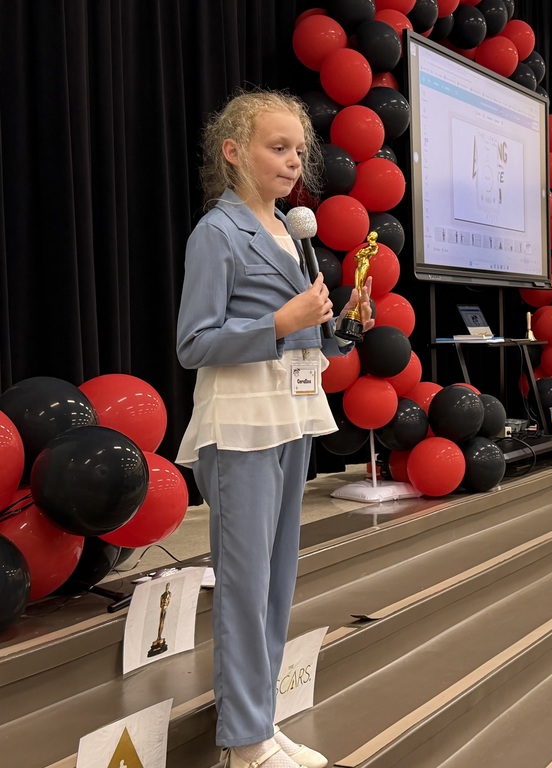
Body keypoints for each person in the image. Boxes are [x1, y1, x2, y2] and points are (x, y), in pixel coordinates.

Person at [175, 91, 373, 768]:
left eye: (298, 150)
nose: (293, 162)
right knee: (243, 585)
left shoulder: (295, 231)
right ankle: (243, 739)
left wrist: (338, 330)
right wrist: (282, 324)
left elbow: (308, 336)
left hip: (291, 419)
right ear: (233, 152)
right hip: (240, 428)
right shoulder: (219, 233)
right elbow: (194, 343)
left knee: (276, 582)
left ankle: (260, 720)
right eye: (277, 147)